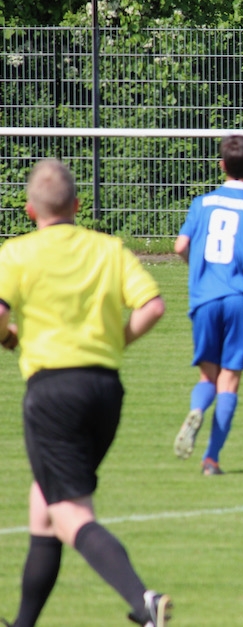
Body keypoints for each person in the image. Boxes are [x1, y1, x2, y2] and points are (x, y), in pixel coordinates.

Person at [0, 160, 170, 627]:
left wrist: (9, 338)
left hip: (53, 392)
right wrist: (116, 341)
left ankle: (143, 601)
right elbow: (153, 307)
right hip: (105, 389)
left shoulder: (17, 253)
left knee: (70, 512)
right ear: (76, 205)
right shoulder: (108, 248)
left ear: (31, 210)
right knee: (45, 505)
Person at [172, 136, 243, 476]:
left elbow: (180, 246)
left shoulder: (202, 203)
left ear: (221, 165)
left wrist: (198, 268)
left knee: (207, 375)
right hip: (242, 298)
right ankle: (211, 459)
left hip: (205, 297)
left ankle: (197, 408)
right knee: (230, 380)